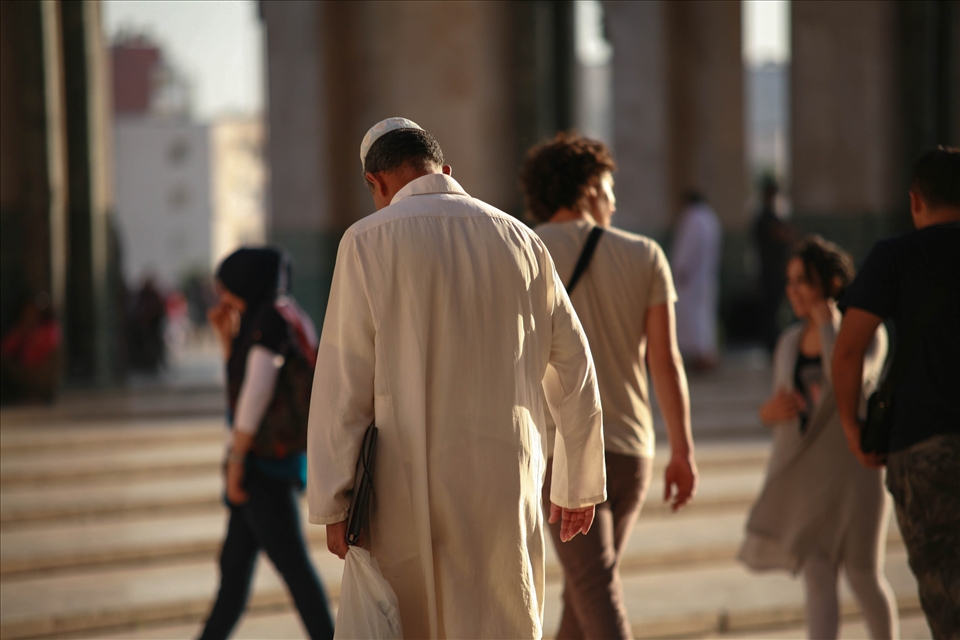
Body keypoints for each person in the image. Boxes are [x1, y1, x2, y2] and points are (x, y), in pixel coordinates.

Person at [307, 118, 606, 638]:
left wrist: (334, 497)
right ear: (445, 170)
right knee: (500, 614)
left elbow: (343, 380)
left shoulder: (366, 241)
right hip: (506, 472)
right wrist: (576, 480)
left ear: (374, 183)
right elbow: (575, 366)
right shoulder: (522, 240)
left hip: (407, 477)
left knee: (416, 616)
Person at [519, 132, 698, 639]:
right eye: (611, 189)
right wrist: (681, 449)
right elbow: (664, 361)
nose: (614, 202)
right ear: (591, 187)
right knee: (590, 589)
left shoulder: (523, 250)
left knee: (592, 590)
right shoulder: (646, 255)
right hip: (632, 452)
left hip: (564, 453)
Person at [739, 236, 898, 640]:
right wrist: (766, 414)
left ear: (829, 284)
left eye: (802, 281)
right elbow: (782, 406)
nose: (792, 291)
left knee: (864, 575)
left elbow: (848, 379)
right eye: (789, 281)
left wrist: (829, 325)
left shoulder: (866, 335)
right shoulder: (789, 342)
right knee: (817, 574)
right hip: (808, 478)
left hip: (856, 472)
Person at [833, 146, 960, 639]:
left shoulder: (894, 257)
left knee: (944, 593)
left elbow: (848, 351)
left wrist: (853, 426)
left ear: (914, 201)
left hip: (922, 444)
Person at [199, 248, 334, 640]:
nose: (223, 299)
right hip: (274, 463)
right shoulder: (286, 313)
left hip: (263, 468)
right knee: (234, 577)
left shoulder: (269, 322)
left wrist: (236, 459)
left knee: (293, 573)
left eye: (227, 289)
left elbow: (254, 395)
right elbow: (245, 390)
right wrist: (227, 340)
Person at [670, 189, 722, 371]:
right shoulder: (709, 216)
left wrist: (680, 269)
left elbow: (686, 248)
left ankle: (702, 357)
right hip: (705, 277)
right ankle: (705, 354)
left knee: (694, 319)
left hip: (690, 279)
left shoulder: (692, 217)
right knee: (704, 318)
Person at [753, 177, 797, 354]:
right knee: (770, 312)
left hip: (776, 271)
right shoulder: (764, 217)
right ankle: (772, 345)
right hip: (770, 272)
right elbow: (780, 234)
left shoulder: (771, 215)